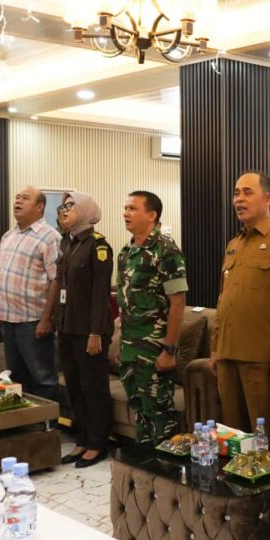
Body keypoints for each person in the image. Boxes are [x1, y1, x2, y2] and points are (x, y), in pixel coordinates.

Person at [211, 172, 270, 451]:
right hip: (228, 354)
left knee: (266, 437)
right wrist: (215, 347)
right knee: (234, 435)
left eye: (247, 192)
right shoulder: (234, 244)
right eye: (236, 193)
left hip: (262, 358)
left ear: (268, 198)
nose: (239, 199)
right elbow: (224, 299)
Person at [115, 190, 188, 444]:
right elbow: (126, 303)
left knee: (160, 418)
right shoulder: (126, 251)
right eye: (125, 208)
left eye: (132, 208)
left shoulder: (165, 250)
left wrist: (169, 350)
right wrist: (122, 344)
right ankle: (145, 465)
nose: (126, 213)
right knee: (140, 416)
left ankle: (166, 466)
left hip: (154, 350)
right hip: (130, 350)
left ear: (151, 215)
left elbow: (178, 302)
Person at [53, 192, 113, 467]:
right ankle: (82, 440)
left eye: (71, 205)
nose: (64, 210)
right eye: (62, 206)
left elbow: (101, 294)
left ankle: (97, 444)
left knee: (93, 388)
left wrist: (95, 332)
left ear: (87, 211)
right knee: (75, 387)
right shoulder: (66, 243)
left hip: (89, 331)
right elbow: (61, 287)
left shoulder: (98, 246)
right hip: (67, 327)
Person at [0, 187, 61, 400]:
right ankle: (22, 419)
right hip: (8, 319)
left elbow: (56, 280)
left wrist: (47, 319)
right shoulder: (8, 235)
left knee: (43, 378)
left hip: (33, 321)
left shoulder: (50, 237)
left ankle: (46, 420)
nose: (18, 201)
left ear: (40, 207)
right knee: (16, 377)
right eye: (17, 197)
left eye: (25, 198)